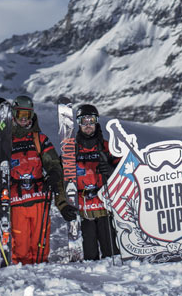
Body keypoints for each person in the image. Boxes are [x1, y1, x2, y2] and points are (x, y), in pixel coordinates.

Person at [0, 95, 70, 265]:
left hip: (40, 199)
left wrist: (55, 174)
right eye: (20, 115)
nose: (24, 119)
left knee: (41, 244)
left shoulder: (39, 139)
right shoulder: (6, 141)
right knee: (21, 243)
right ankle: (23, 278)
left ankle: (42, 274)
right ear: (14, 115)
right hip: (17, 200)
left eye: (28, 115)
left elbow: (53, 163)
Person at [73, 104, 119, 261]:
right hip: (85, 210)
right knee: (90, 257)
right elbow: (62, 176)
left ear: (96, 122)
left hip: (106, 207)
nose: (87, 126)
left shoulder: (107, 147)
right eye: (83, 121)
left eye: (91, 121)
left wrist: (111, 169)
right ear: (78, 123)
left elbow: (124, 171)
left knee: (111, 254)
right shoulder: (72, 150)